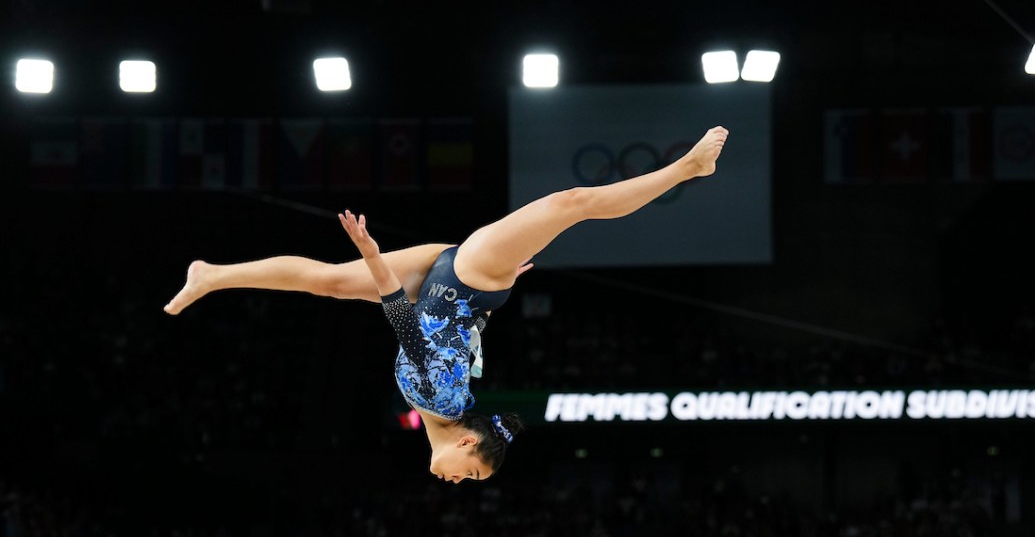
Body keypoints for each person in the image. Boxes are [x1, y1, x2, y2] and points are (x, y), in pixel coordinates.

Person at [165, 126, 729, 483]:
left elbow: (421, 327)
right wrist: (376, 252)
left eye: (470, 479)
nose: (461, 482)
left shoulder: (441, 404)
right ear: (466, 441)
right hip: (465, 277)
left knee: (331, 283)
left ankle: (212, 274)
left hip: (449, 283)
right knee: (572, 204)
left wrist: (492, 276)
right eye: (473, 474)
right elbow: (400, 318)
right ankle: (685, 168)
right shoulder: (442, 398)